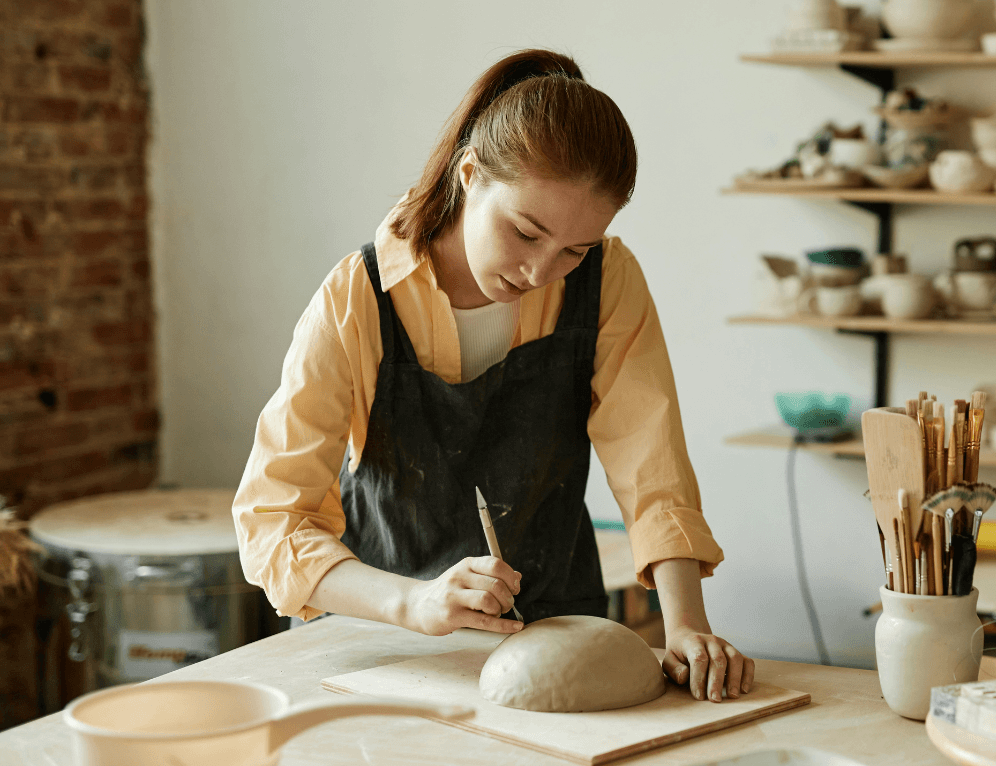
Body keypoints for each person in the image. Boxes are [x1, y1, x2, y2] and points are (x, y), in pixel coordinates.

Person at [233, 49, 753, 702]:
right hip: (385, 651)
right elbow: (272, 523)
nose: (540, 271)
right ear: (470, 173)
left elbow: (653, 470)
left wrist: (686, 625)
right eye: (526, 232)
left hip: (558, 630)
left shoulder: (608, 281)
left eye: (573, 250)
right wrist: (414, 603)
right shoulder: (357, 297)